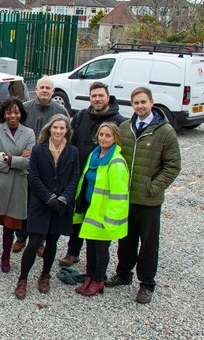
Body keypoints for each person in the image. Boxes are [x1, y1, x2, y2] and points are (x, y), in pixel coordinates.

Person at [105, 87, 181, 304]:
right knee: (125, 240)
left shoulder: (165, 132)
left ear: (151, 102)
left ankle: (147, 283)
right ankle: (123, 274)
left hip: (148, 200)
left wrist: (154, 187)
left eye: (143, 102)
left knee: (148, 244)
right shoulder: (125, 128)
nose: (139, 106)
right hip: (126, 198)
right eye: (136, 102)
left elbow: (173, 165)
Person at [59, 81, 126, 267]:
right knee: (77, 216)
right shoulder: (81, 117)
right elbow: (70, 142)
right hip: (81, 178)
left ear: (108, 97)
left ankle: (96, 261)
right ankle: (73, 252)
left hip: (102, 182)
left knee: (96, 222)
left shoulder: (119, 122)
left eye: (100, 96)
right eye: (94, 96)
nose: (97, 99)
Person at [14, 114, 79, 299]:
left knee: (52, 242)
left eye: (62, 128)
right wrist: (49, 198)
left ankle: (45, 275)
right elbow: (33, 177)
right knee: (34, 242)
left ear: (67, 130)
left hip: (61, 206)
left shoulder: (73, 152)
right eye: (55, 127)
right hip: (41, 204)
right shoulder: (38, 150)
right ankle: (23, 279)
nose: (58, 131)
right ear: (49, 128)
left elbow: (75, 178)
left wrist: (63, 198)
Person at [12, 76, 69, 255]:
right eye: (42, 87)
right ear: (36, 89)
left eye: (48, 88)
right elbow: (17, 131)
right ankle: (21, 237)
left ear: (53, 91)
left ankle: (39, 240)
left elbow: (66, 136)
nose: (45, 91)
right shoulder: (26, 108)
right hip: (26, 164)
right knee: (24, 201)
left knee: (43, 203)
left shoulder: (60, 111)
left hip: (48, 167)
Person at [74, 122, 129, 296]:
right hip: (91, 208)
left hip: (104, 213)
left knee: (101, 248)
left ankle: (98, 280)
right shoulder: (94, 155)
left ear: (115, 139)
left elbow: (119, 196)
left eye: (108, 135)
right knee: (90, 245)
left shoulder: (116, 163)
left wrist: (110, 219)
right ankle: (89, 277)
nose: (103, 138)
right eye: (101, 135)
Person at [0, 98, 35, 273]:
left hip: (18, 186)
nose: (13, 115)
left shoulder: (29, 133)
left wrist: (7, 158)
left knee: (10, 225)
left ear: (21, 113)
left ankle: (5, 257)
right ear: (4, 114)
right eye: (9, 112)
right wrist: (17, 160)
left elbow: (30, 162)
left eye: (16, 112)